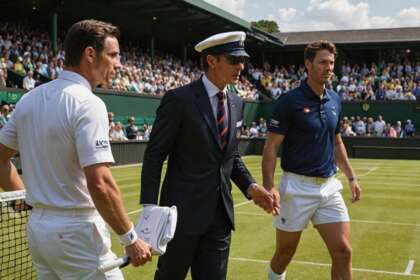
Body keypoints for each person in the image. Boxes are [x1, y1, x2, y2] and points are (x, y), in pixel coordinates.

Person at [0, 19, 152, 279]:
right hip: (77, 234)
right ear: (90, 54)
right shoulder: (89, 104)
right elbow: (101, 183)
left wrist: (20, 198)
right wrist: (130, 238)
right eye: (113, 55)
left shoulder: (28, 100)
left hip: (39, 232)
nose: (118, 64)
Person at [140, 31, 275, 280]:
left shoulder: (236, 103)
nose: (241, 67)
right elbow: (154, 155)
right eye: (234, 60)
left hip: (220, 218)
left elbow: (230, 157)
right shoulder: (179, 100)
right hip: (180, 217)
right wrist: (149, 208)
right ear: (212, 61)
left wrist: (251, 186)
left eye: (242, 61)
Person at [262, 40, 362, 280]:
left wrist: (351, 177)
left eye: (332, 63)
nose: (329, 67)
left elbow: (337, 142)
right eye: (323, 62)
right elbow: (271, 147)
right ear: (308, 65)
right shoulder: (289, 101)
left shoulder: (335, 100)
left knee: (343, 252)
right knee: (285, 253)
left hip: (329, 187)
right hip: (296, 187)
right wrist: (269, 186)